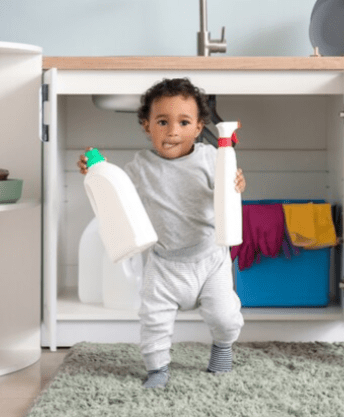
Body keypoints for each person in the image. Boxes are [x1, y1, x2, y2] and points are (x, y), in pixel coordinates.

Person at [78, 78, 245, 389]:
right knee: (153, 321)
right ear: (146, 125)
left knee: (225, 316)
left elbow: (228, 192)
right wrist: (96, 168)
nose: (173, 131)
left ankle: (222, 348)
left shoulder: (211, 158)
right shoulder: (140, 168)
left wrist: (237, 184)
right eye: (163, 122)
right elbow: (117, 193)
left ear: (198, 128)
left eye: (183, 122)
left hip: (210, 258)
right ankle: (157, 370)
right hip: (164, 262)